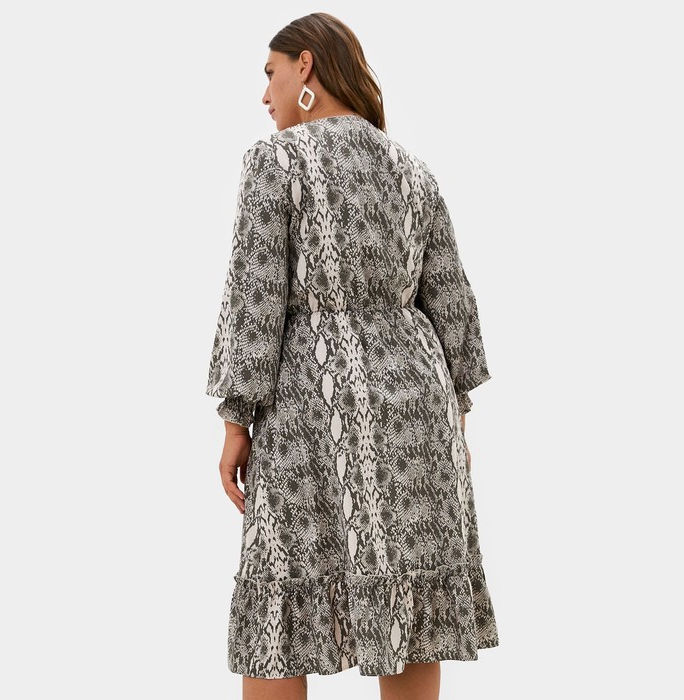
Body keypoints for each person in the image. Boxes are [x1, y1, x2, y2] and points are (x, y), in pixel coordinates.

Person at [205, 12, 499, 700]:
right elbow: (453, 309)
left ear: (306, 65)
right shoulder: (412, 170)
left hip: (312, 406)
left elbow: (255, 295)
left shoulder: (275, 161)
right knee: (411, 614)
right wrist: (455, 420)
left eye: (271, 73)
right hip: (419, 413)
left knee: (278, 609)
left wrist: (235, 419)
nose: (265, 94)